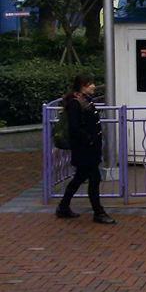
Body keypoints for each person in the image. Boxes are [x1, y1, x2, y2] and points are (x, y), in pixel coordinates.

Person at [55, 74, 115, 225]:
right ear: (82, 86)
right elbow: (75, 128)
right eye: (90, 84)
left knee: (79, 178)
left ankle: (63, 207)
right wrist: (89, 139)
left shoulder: (85, 100)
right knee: (94, 178)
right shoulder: (76, 103)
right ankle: (98, 212)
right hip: (84, 149)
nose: (93, 86)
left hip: (89, 148)